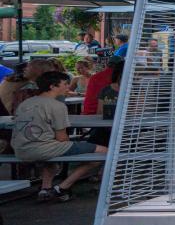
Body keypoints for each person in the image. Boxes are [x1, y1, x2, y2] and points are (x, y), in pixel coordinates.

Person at [11, 71, 108, 203]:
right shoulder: (57, 106)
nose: (68, 87)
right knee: (104, 152)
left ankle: (45, 189)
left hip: (20, 149)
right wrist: (74, 148)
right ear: (52, 86)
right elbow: (62, 138)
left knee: (51, 159)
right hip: (42, 149)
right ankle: (62, 188)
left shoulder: (26, 103)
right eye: (65, 84)